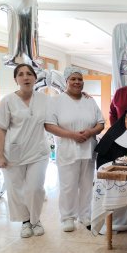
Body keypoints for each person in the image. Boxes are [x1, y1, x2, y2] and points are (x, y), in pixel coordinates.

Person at [0, 63, 49, 238]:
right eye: (21, 74)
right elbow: (0, 129)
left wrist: (82, 96)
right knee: (16, 189)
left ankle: (35, 220)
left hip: (38, 152)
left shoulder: (45, 100)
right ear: (16, 79)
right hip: (13, 153)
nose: (26, 77)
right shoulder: (7, 101)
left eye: (29, 74)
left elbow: (60, 109)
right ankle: (25, 221)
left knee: (35, 189)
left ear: (35, 78)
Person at [45, 67, 105, 232]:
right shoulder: (55, 101)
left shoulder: (89, 101)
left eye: (79, 79)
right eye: (73, 79)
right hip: (67, 149)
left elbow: (101, 123)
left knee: (86, 185)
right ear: (66, 82)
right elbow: (49, 125)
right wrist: (71, 135)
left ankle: (85, 215)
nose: (77, 82)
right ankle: (67, 217)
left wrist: (91, 131)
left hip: (88, 149)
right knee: (68, 185)